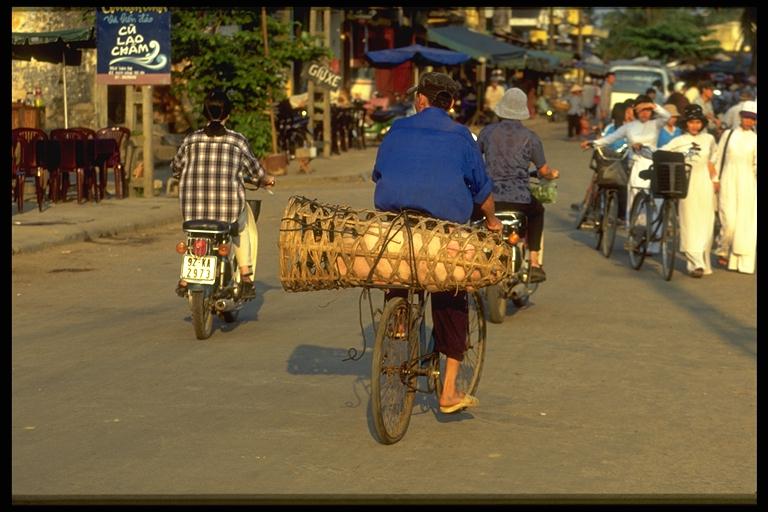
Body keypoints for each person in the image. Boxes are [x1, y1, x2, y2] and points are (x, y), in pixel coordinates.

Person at [372, 72, 501, 414]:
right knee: (451, 295)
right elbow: (482, 191)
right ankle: (448, 391)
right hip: (442, 233)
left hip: (397, 225)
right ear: (452, 104)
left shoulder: (397, 128)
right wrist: (491, 219)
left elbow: (379, 173)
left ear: (421, 100)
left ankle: (398, 320)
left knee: (400, 266)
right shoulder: (461, 136)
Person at [172, 89, 276, 299]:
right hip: (227, 211)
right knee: (243, 226)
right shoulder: (237, 141)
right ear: (228, 114)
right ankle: (246, 276)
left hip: (193, 212)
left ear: (204, 113)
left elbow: (176, 168)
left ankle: (185, 279)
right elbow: (255, 172)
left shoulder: (190, 140)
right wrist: (266, 180)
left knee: (194, 235)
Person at [478, 87, 559, 283]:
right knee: (537, 212)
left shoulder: (487, 132)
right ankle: (534, 262)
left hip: (490, 198)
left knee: (473, 222)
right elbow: (543, 170)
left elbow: (474, 160)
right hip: (520, 199)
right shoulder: (530, 138)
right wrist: (552, 174)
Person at [581, 95, 672, 228]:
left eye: (648, 110)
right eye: (642, 110)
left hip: (653, 165)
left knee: (656, 201)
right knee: (635, 198)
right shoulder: (629, 127)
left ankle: (654, 238)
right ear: (636, 111)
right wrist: (592, 143)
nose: (645, 113)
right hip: (636, 165)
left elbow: (667, 116)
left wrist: (652, 105)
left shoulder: (655, 124)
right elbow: (610, 138)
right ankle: (634, 233)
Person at [659, 104, 719, 278]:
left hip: (705, 184)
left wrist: (715, 179)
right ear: (686, 124)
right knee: (690, 222)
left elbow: (713, 159)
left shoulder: (709, 139)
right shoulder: (678, 141)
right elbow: (661, 153)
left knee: (707, 223)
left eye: (698, 122)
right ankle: (695, 263)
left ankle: (703, 262)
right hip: (686, 185)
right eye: (691, 122)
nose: (695, 126)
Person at [713, 100, 757, 274]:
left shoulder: (755, 139)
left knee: (743, 224)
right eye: (746, 118)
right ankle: (722, 248)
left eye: (752, 119)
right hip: (727, 180)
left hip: (747, 183)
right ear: (740, 117)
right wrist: (715, 179)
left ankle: (738, 259)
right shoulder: (728, 134)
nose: (749, 121)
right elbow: (718, 157)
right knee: (728, 221)